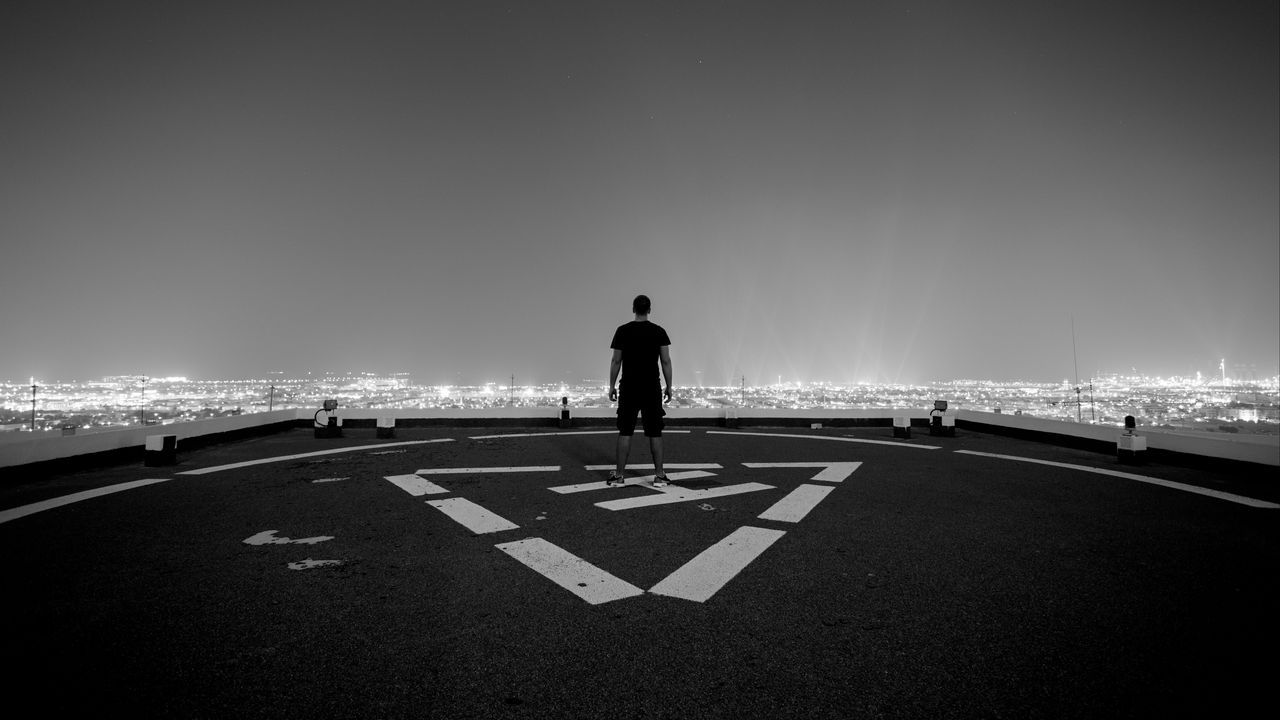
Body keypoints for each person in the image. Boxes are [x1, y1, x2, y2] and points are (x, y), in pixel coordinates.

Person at [607, 294, 673, 486]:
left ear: (633, 309)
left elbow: (616, 360)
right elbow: (666, 361)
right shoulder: (659, 331)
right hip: (651, 387)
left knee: (625, 430)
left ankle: (619, 475)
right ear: (649, 310)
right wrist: (669, 386)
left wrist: (611, 385)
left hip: (629, 387)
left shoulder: (622, 331)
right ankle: (659, 475)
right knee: (655, 431)